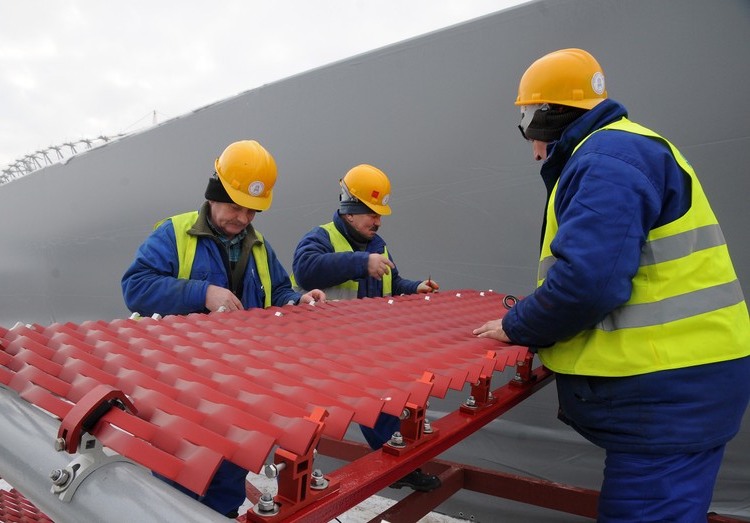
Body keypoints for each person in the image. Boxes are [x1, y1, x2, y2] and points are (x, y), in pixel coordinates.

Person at [474, 48, 750, 522]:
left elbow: (588, 282)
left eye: (526, 122)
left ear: (546, 117)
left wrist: (518, 324)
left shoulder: (605, 158)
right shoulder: (626, 147)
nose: (531, 144)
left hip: (668, 395)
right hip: (687, 385)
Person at [122, 139, 326, 518]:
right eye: (235, 206)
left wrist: (296, 299)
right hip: (179, 384)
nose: (243, 218)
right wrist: (203, 292)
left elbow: (277, 288)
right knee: (177, 479)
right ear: (214, 194)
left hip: (236, 383)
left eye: (252, 211)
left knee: (228, 473)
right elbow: (135, 288)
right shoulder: (174, 233)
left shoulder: (259, 246)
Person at [292, 163, 441, 492]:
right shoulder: (321, 238)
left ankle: (400, 467)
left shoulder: (378, 245)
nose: (377, 220)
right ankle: (296, 485)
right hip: (321, 355)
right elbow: (305, 270)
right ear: (348, 210)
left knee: (383, 410)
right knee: (310, 423)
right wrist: (360, 263)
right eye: (371, 212)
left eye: (380, 214)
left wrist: (413, 287)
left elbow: (392, 279)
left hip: (364, 352)